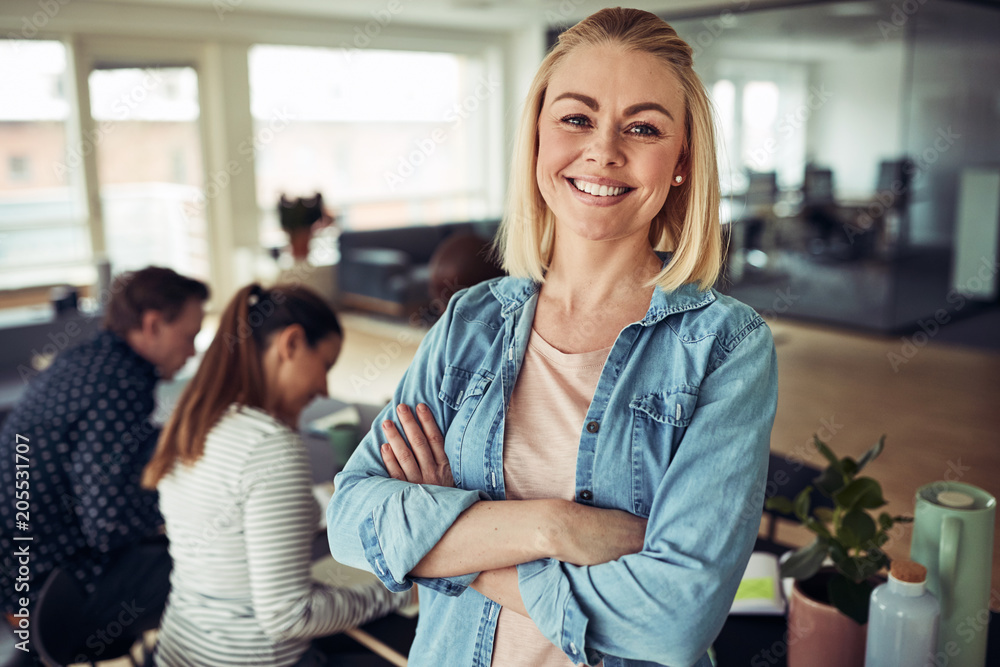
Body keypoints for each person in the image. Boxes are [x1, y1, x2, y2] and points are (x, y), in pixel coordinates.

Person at [327, 8, 778, 667]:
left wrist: (447, 545)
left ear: (682, 159)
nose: (604, 149)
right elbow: (352, 520)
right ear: (538, 135)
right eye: (576, 117)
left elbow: (675, 619)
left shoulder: (726, 348)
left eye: (643, 127)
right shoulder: (469, 322)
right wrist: (554, 526)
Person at [142, 283, 411, 667]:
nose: (324, 388)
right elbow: (289, 615)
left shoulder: (193, 421)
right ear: (292, 343)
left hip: (177, 652)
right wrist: (397, 594)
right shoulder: (269, 446)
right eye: (325, 365)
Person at [0, 266, 208, 643]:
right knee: (215, 565)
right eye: (189, 336)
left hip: (18, 576)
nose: (192, 351)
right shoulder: (119, 384)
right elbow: (108, 525)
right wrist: (189, 504)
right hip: (45, 597)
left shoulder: (85, 360)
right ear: (153, 324)